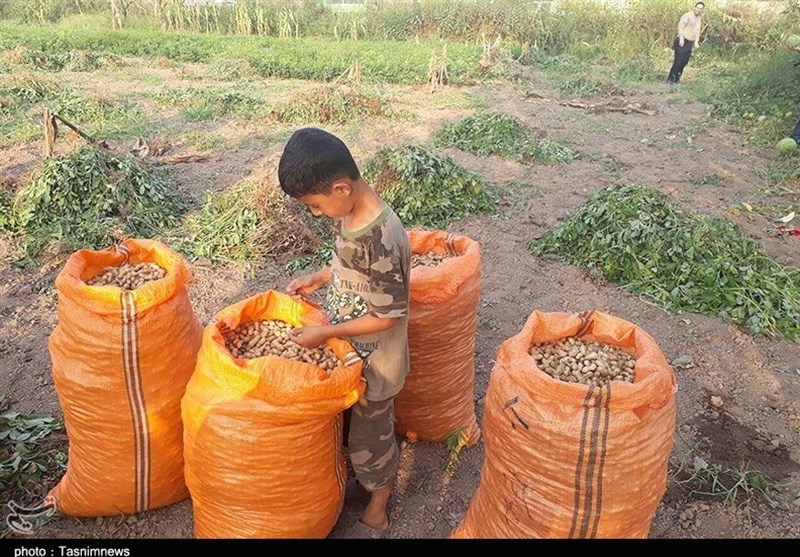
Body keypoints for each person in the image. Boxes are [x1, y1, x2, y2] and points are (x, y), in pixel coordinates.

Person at [278, 127, 411, 539]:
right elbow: (348, 268)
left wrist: (325, 333)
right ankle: (363, 474)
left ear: (341, 187)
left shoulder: (384, 237)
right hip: (352, 351)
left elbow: (387, 317)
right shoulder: (349, 214)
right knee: (353, 429)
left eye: (316, 206)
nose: (317, 214)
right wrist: (319, 278)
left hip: (378, 365)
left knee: (374, 435)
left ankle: (378, 507)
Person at [667, 2, 705, 84]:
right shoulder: (687, 15)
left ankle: (677, 79)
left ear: (702, 10)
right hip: (682, 41)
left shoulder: (698, 18)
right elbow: (680, 26)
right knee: (678, 61)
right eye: (697, 7)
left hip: (689, 43)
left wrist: (696, 42)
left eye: (700, 8)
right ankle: (671, 80)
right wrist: (681, 38)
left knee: (684, 61)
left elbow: (697, 31)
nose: (698, 9)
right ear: (694, 7)